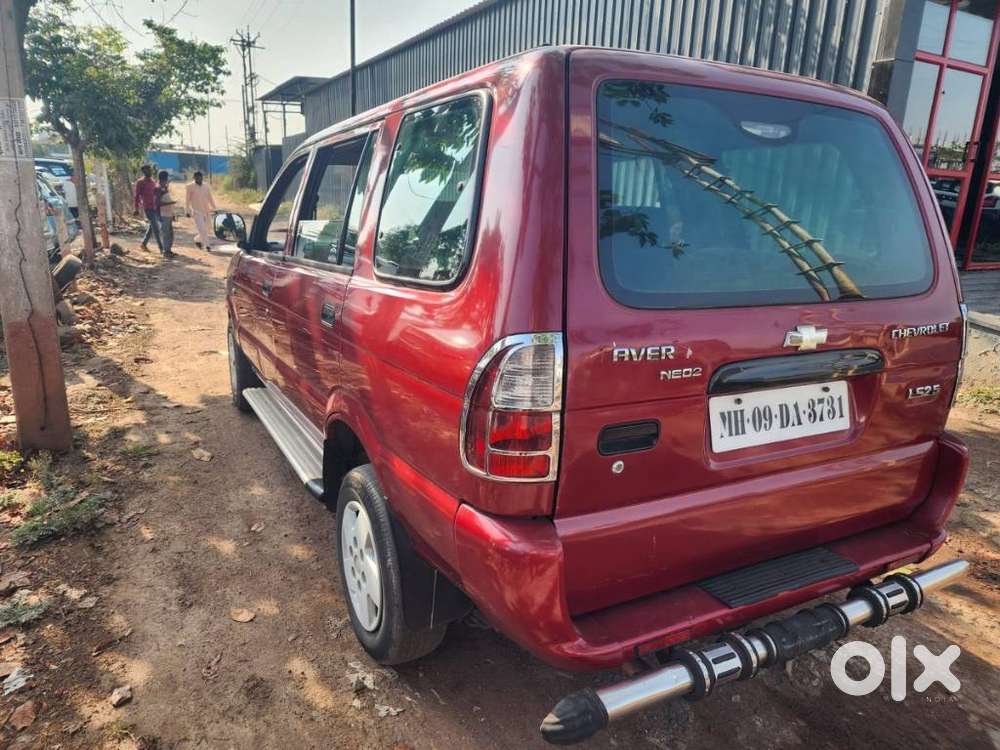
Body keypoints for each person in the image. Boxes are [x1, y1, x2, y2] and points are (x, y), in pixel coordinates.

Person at [185, 171, 218, 249]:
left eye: (200, 177)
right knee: (202, 229)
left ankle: (197, 239)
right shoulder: (190, 186)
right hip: (196, 211)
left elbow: (210, 198)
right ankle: (207, 245)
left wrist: (214, 208)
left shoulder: (206, 186)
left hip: (206, 210)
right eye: (197, 177)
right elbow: (187, 200)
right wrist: (187, 211)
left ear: (202, 177)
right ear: (194, 178)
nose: (199, 179)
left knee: (208, 228)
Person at [134, 165, 162, 252]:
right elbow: (137, 196)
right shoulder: (140, 182)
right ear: (143, 171)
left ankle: (143, 244)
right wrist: (136, 208)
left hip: (155, 207)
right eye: (147, 170)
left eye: (150, 170)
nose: (149, 172)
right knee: (156, 227)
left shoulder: (153, 181)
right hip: (148, 207)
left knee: (152, 227)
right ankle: (161, 248)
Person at [155, 170, 178, 258]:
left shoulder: (164, 188)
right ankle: (166, 251)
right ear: (164, 179)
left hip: (168, 214)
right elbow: (157, 203)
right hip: (163, 215)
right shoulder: (158, 188)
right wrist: (171, 203)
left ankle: (168, 250)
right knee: (166, 234)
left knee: (170, 233)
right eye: (167, 178)